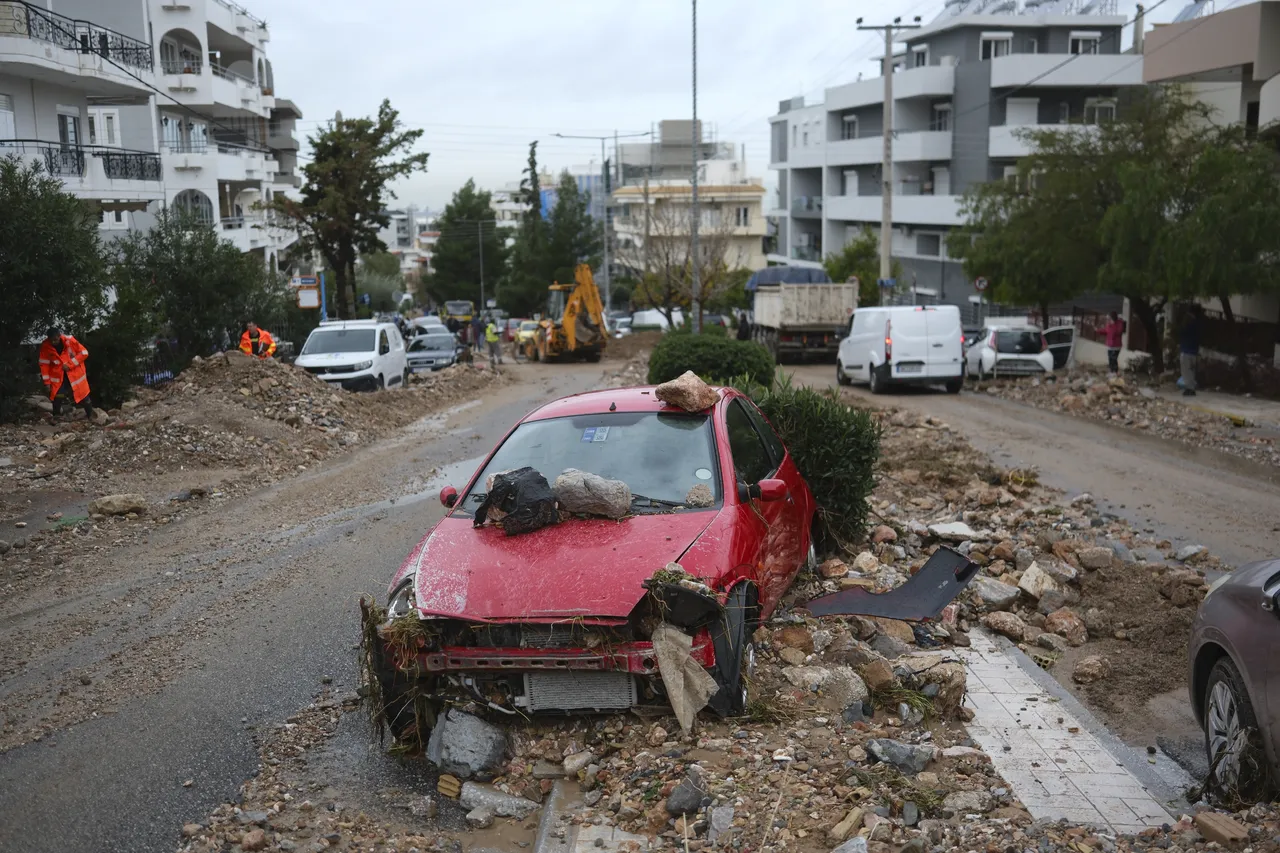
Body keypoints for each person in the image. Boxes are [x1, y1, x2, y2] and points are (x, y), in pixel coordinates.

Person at [39, 326, 95, 419]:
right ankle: (56, 417)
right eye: (51, 340)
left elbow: (84, 353)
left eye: (55, 340)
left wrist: (70, 364)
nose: (54, 342)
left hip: (75, 374)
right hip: (59, 376)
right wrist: (47, 383)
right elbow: (44, 365)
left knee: (83, 395)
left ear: (59, 336)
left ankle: (90, 414)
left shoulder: (70, 341)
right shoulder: (46, 346)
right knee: (58, 395)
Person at [1178, 305, 1202, 397]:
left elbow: (1182, 333)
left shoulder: (1188, 322)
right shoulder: (1198, 324)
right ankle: (1191, 387)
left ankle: (1189, 389)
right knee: (1192, 371)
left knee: (1186, 371)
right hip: (1194, 351)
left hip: (1186, 351)